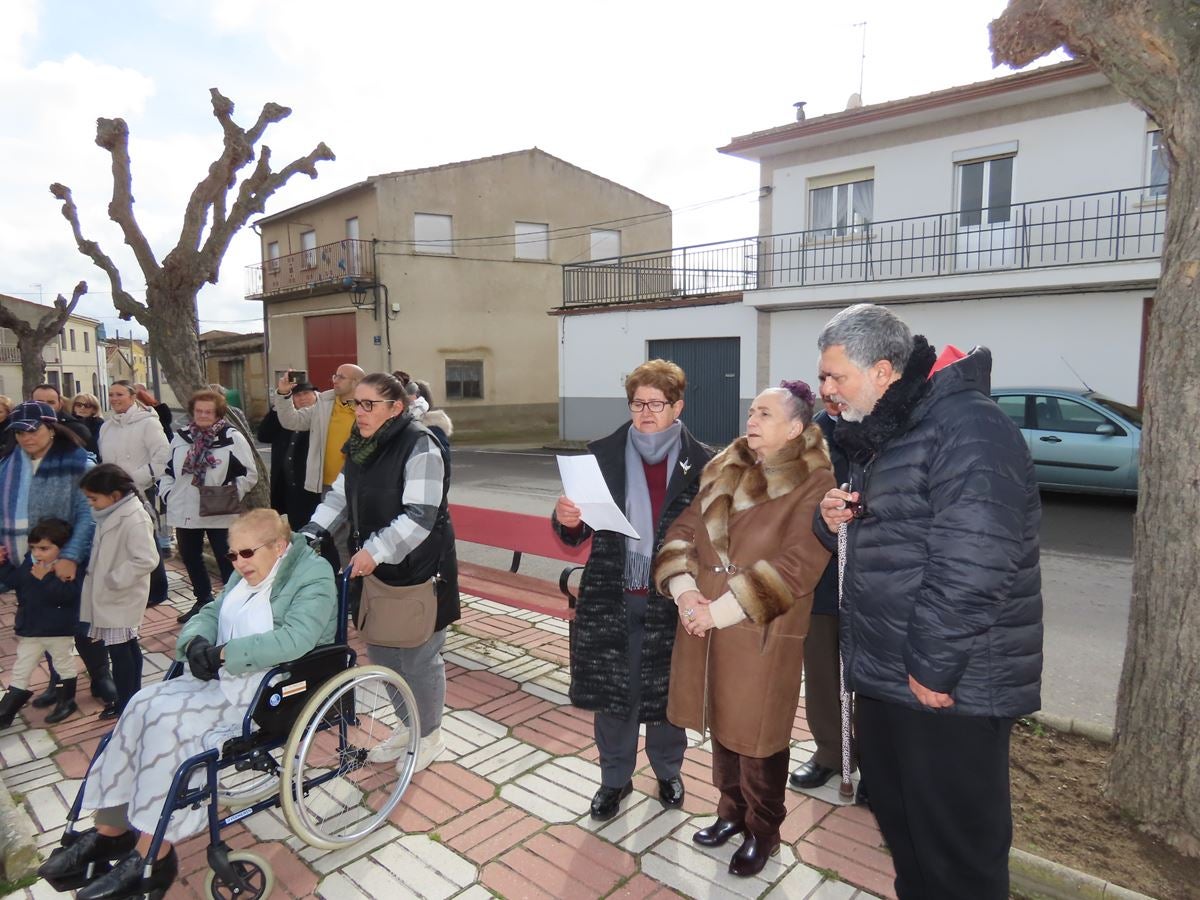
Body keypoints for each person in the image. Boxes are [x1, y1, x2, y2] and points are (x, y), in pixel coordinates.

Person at [813, 303, 1042, 899]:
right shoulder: (888, 429)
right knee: (908, 837)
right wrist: (832, 518)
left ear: (883, 371)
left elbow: (976, 558)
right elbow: (885, 537)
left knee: (957, 857)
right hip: (892, 676)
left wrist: (932, 664)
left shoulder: (969, 425)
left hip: (949, 685)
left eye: (836, 376)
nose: (826, 390)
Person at [37, 508, 338, 900]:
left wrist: (225, 653)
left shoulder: (313, 576)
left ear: (279, 547)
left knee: (172, 730)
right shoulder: (246, 569)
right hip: (221, 677)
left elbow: (295, 639)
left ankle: (154, 856)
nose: (237, 562)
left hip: (268, 688)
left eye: (246, 553)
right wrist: (196, 642)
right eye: (231, 555)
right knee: (142, 705)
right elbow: (213, 610)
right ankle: (111, 830)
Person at [655, 381, 834, 877]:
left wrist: (722, 610)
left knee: (759, 736)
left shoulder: (816, 482)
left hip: (761, 627)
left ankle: (765, 831)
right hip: (707, 616)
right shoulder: (724, 465)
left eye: (765, 414)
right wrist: (686, 590)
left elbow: (801, 563)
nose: (751, 420)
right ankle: (730, 813)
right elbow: (684, 530)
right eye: (751, 411)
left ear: (795, 428)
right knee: (723, 723)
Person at [552, 360, 710, 821]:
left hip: (672, 595)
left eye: (655, 404)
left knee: (666, 693)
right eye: (638, 403)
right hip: (611, 592)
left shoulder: (703, 463)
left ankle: (668, 771)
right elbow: (574, 534)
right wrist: (566, 519)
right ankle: (614, 779)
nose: (645, 412)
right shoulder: (602, 456)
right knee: (613, 692)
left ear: (677, 406)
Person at [303, 372, 458, 773]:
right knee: (384, 651)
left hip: (419, 569)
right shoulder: (360, 446)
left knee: (420, 657)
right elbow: (339, 495)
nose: (361, 412)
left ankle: (431, 736)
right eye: (357, 403)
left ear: (396, 407)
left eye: (370, 404)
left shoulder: (420, 444)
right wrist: (311, 532)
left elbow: (420, 515)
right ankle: (410, 727)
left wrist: (375, 549)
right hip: (375, 568)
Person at [0, 401, 117, 717]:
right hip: (29, 560)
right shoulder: (8, 465)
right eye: (19, 432)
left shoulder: (78, 463)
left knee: (82, 621)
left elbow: (89, 513)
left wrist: (70, 556)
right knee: (45, 622)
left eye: (32, 429)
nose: (26, 437)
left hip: (70, 559)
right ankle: (58, 681)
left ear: (51, 428)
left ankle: (100, 675)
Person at [788, 395, 862, 800]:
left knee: (867, 677)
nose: (831, 389)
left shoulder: (880, 429)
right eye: (823, 380)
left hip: (868, 577)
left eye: (838, 379)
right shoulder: (811, 436)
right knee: (820, 672)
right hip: (819, 573)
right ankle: (831, 752)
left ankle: (873, 758)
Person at [160, 389, 259, 624]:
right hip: (185, 508)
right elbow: (167, 470)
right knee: (190, 556)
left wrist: (228, 492)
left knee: (227, 560)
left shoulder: (231, 437)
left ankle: (233, 604)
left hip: (219, 507)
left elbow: (249, 474)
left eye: (208, 412)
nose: (203, 415)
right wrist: (167, 493)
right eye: (199, 411)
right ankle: (203, 600)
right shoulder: (181, 436)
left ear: (218, 413)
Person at [79, 464, 160, 716]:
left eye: (94, 498)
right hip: (113, 595)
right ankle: (131, 699)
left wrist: (114, 579)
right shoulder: (112, 513)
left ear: (114, 495)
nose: (91, 503)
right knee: (126, 648)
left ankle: (127, 704)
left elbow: (147, 559)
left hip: (121, 595)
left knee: (121, 652)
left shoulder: (133, 517)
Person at [0, 518, 84, 726]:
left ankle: (66, 701)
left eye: (44, 548)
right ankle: (7, 709)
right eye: (34, 548)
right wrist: (3, 564)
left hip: (58, 629)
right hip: (31, 628)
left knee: (63, 663)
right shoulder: (31, 562)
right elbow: (14, 580)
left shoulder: (68, 568)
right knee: (22, 666)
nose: (37, 553)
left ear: (62, 548)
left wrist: (45, 578)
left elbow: (68, 597)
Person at [256, 381, 321, 530]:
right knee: (295, 529)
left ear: (315, 394)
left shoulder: (321, 417)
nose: (302, 398)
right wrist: (278, 406)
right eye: (297, 395)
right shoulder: (284, 417)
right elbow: (263, 435)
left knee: (315, 530)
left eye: (306, 393)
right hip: (287, 486)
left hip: (311, 487)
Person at [31, 383, 96, 453]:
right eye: (39, 402)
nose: (45, 406)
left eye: (51, 402)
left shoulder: (77, 429)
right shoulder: (20, 428)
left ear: (60, 404)